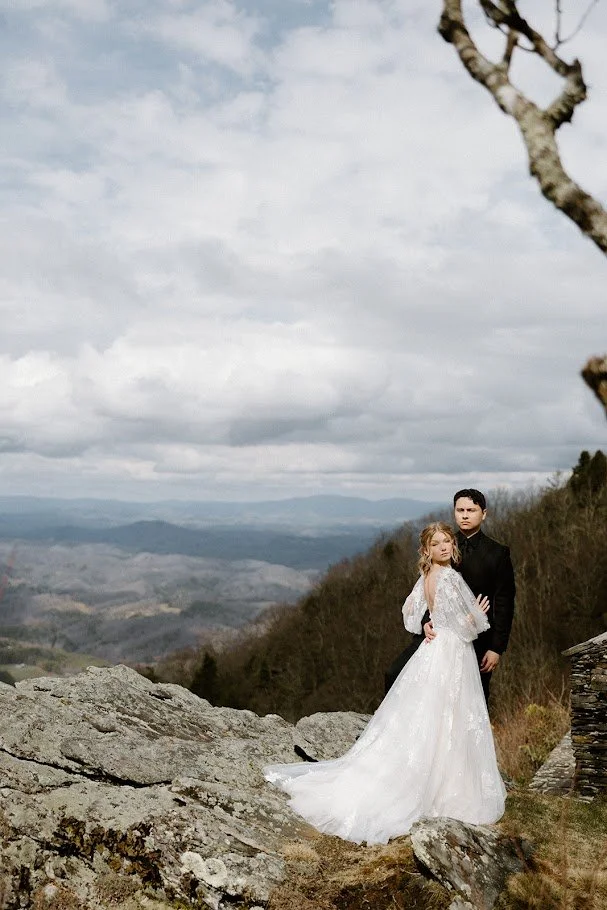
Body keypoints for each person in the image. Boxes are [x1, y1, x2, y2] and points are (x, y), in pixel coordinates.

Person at [264, 522, 506, 845]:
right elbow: (469, 628)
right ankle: (446, 786)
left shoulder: (427, 578)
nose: (445, 546)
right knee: (449, 717)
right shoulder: (450, 578)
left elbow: (409, 611)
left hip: (433, 651)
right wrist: (475, 615)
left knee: (432, 716)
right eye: (438, 543)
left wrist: (428, 625)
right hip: (452, 654)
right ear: (428, 550)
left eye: (447, 541)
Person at [384, 489, 515, 704]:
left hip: (477, 638)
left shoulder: (498, 553)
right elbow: (427, 590)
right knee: (397, 675)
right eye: (460, 510)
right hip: (437, 634)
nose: (464, 515)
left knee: (472, 699)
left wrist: (496, 647)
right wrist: (425, 622)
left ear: (483, 513)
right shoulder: (441, 543)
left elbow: (504, 601)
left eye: (471, 510)